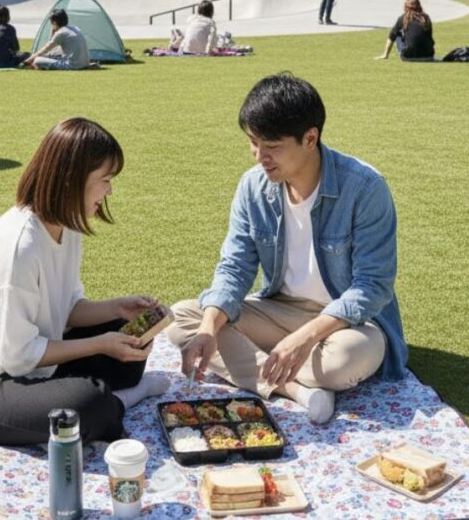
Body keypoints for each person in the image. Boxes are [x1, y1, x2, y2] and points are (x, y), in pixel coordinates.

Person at [168, 74, 406, 424]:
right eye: (252, 142)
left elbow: (372, 286)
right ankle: (297, 391)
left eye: (272, 146)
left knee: (344, 361)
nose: (259, 156)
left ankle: (261, 361)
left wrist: (306, 337)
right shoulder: (253, 187)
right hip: (280, 311)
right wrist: (208, 329)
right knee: (184, 320)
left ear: (310, 138)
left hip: (347, 324)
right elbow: (234, 267)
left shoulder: (366, 188)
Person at [0, 117, 170, 447]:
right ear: (73, 180)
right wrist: (100, 344)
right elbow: (16, 355)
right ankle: (119, 402)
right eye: (104, 179)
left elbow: (68, 310)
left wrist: (118, 307)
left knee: (127, 343)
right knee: (87, 404)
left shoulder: (66, 226)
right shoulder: (18, 247)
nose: (110, 190)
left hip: (28, 369)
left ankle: (89, 401)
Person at [26, 9, 91, 70]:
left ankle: (34, 66)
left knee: (37, 60)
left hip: (72, 65)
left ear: (54, 22)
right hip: (85, 63)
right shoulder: (75, 28)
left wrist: (27, 61)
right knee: (53, 53)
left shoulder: (61, 33)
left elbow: (45, 49)